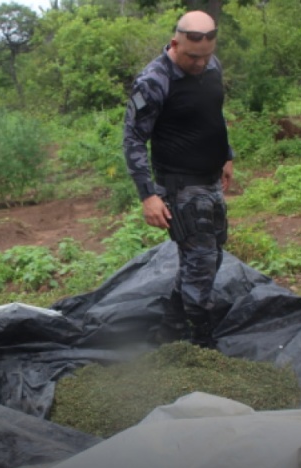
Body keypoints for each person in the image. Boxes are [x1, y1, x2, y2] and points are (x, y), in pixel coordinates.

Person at [123, 10, 234, 348]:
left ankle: (168, 332)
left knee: (210, 257)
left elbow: (212, 113)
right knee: (200, 267)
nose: (201, 63)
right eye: (192, 56)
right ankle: (203, 349)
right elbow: (133, 140)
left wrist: (226, 154)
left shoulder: (211, 67)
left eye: (206, 55)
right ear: (175, 43)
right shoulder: (154, 80)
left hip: (211, 179)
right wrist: (147, 196)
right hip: (181, 187)